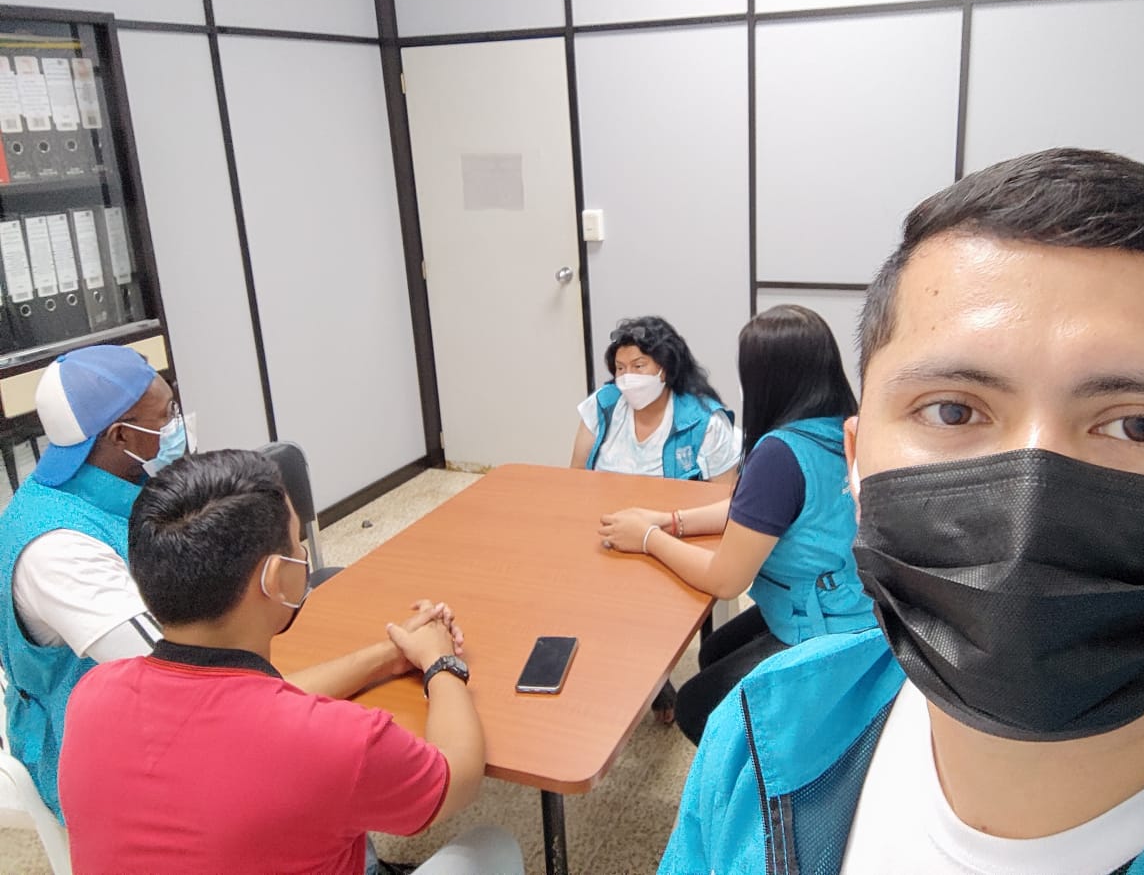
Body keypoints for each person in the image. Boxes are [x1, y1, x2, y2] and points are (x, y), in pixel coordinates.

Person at [660, 148, 1144, 874]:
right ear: (857, 469)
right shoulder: (760, 737)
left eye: (1140, 425)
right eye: (953, 410)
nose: (1030, 504)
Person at [59, 449, 523, 875]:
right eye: (298, 543)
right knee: (492, 848)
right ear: (277, 578)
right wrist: (442, 662)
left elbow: (250, 706)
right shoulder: (341, 740)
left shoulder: (93, 695)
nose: (304, 555)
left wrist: (389, 655)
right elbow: (456, 779)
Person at [599, 305, 876, 744]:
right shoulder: (842, 426)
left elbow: (725, 580)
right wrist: (671, 521)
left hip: (828, 625)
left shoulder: (779, 453)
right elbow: (754, 509)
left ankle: (767, 767)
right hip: (854, 600)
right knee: (713, 650)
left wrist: (649, 539)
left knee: (697, 706)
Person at [0, 343, 189, 818]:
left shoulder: (114, 484)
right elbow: (171, 672)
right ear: (122, 435)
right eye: (167, 416)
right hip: (91, 751)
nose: (176, 425)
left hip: (145, 705)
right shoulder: (57, 548)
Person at [571, 316, 740, 487]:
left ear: (665, 369)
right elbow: (576, 479)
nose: (628, 376)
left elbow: (725, 496)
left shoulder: (705, 422)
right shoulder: (602, 404)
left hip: (674, 505)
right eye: (620, 368)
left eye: (638, 366)